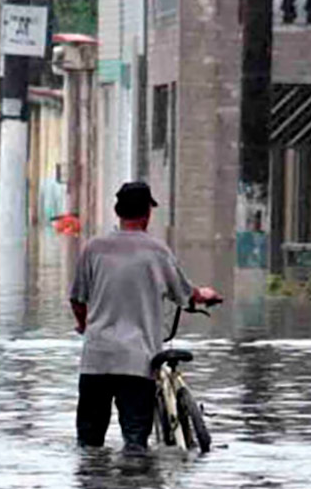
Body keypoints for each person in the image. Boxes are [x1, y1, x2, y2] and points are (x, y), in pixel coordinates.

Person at [68, 181, 220, 453]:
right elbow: (184, 293)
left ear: (117, 211)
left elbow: (77, 299)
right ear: (147, 214)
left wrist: (84, 324)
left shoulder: (93, 248)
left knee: (89, 445)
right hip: (138, 363)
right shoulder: (157, 251)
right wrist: (203, 294)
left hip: (96, 360)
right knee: (136, 444)